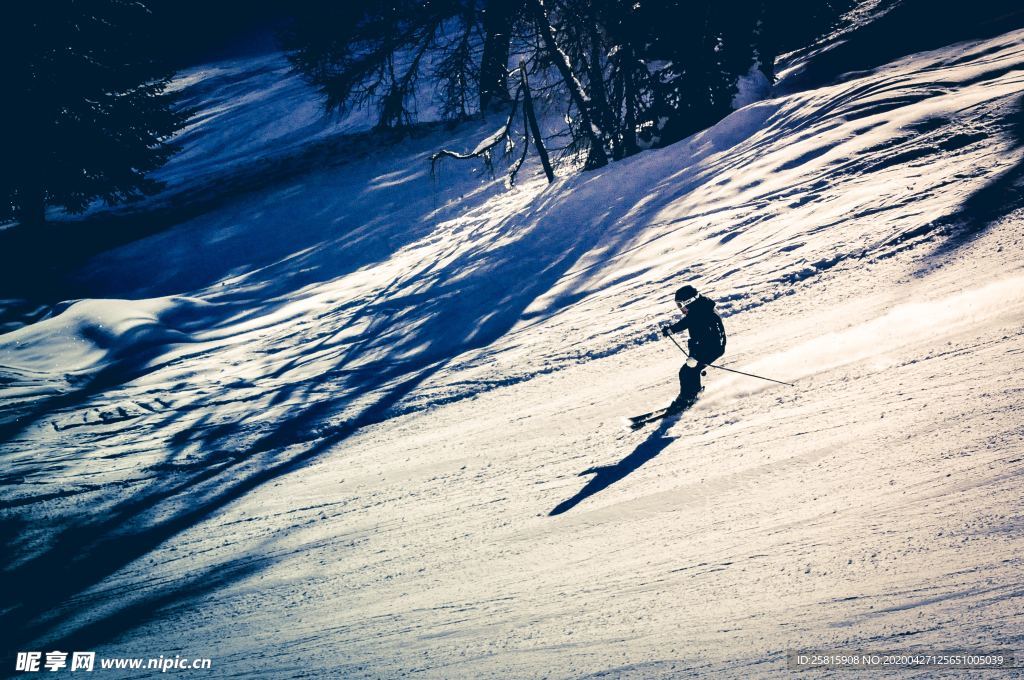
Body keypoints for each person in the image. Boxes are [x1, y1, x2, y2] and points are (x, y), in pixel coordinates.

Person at [661, 285, 726, 413]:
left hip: (712, 348)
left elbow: (712, 336)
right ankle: (693, 394)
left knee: (687, 371)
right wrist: (671, 329)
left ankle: (687, 399)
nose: (680, 309)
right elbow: (687, 322)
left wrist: (696, 355)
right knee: (690, 371)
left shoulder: (704, 314)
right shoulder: (700, 308)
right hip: (704, 346)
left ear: (689, 302)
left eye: (680, 305)